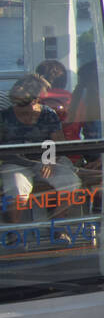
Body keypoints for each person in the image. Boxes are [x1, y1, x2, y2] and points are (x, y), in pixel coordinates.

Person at [0, 74, 81, 220]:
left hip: (45, 161)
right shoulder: (4, 116)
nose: (19, 109)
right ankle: (14, 232)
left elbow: (59, 142)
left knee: (71, 183)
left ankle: (57, 224)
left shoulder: (48, 114)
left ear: (36, 100)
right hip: (15, 164)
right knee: (17, 189)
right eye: (17, 104)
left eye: (24, 104)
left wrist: (49, 159)